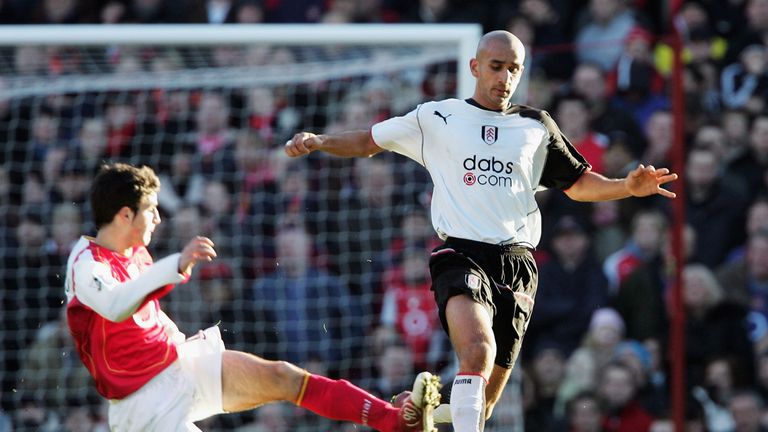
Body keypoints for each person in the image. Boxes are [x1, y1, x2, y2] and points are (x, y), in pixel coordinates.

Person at [285, 30, 678, 431]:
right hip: (461, 255)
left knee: (483, 402)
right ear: (475, 67)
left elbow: (578, 184)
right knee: (478, 351)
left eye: (514, 70)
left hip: (519, 265)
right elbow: (370, 141)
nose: (505, 78)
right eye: (496, 67)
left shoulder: (536, 127)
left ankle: (419, 417)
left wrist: (625, 187)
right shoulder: (438, 117)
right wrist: (320, 141)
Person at [63, 162, 440, 432]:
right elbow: (115, 306)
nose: (159, 218)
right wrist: (175, 264)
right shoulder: (85, 265)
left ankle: (391, 421)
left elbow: (143, 319)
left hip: (179, 365)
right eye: (151, 210)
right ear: (126, 215)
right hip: (143, 406)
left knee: (282, 376)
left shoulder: (135, 250)